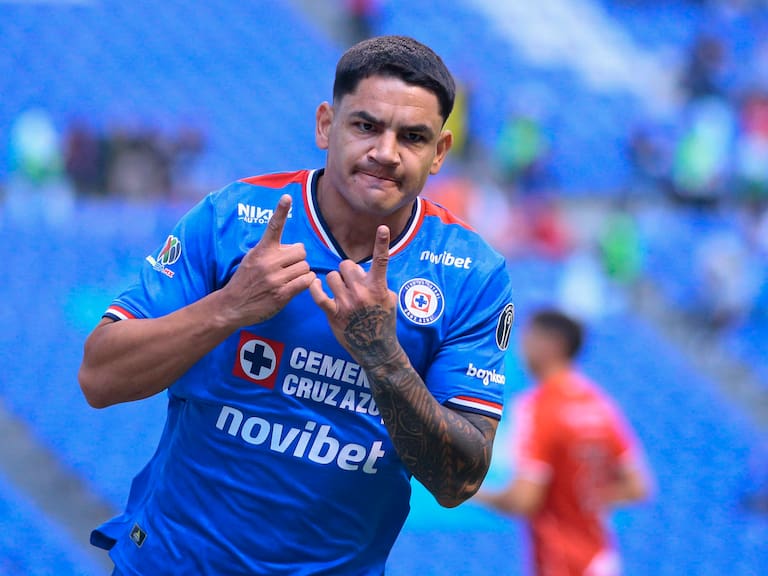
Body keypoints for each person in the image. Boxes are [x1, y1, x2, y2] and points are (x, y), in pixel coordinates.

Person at [78, 35, 515, 575]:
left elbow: (460, 482)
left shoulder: (474, 273)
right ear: (326, 125)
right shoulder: (231, 217)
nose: (385, 151)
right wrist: (230, 306)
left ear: (439, 153)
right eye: (365, 125)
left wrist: (383, 356)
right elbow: (99, 377)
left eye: (413, 136)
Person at [475, 310, 651, 576]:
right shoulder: (599, 405)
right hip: (600, 557)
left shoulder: (539, 408)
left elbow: (524, 500)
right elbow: (638, 486)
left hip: (562, 561)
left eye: (530, 336)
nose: (522, 345)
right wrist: (583, 500)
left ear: (551, 345)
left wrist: (471, 493)